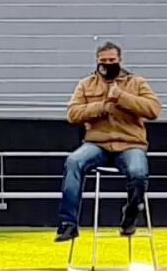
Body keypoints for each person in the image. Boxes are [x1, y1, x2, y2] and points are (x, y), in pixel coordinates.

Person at [55, 41, 162, 242]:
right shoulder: (86, 84)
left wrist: (122, 97)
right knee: (73, 161)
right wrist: (102, 107)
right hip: (97, 144)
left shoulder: (136, 82)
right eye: (103, 61)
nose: (107, 63)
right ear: (97, 61)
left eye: (111, 60)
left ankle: (130, 216)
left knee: (138, 173)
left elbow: (153, 109)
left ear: (119, 60)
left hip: (130, 144)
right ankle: (68, 224)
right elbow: (72, 114)